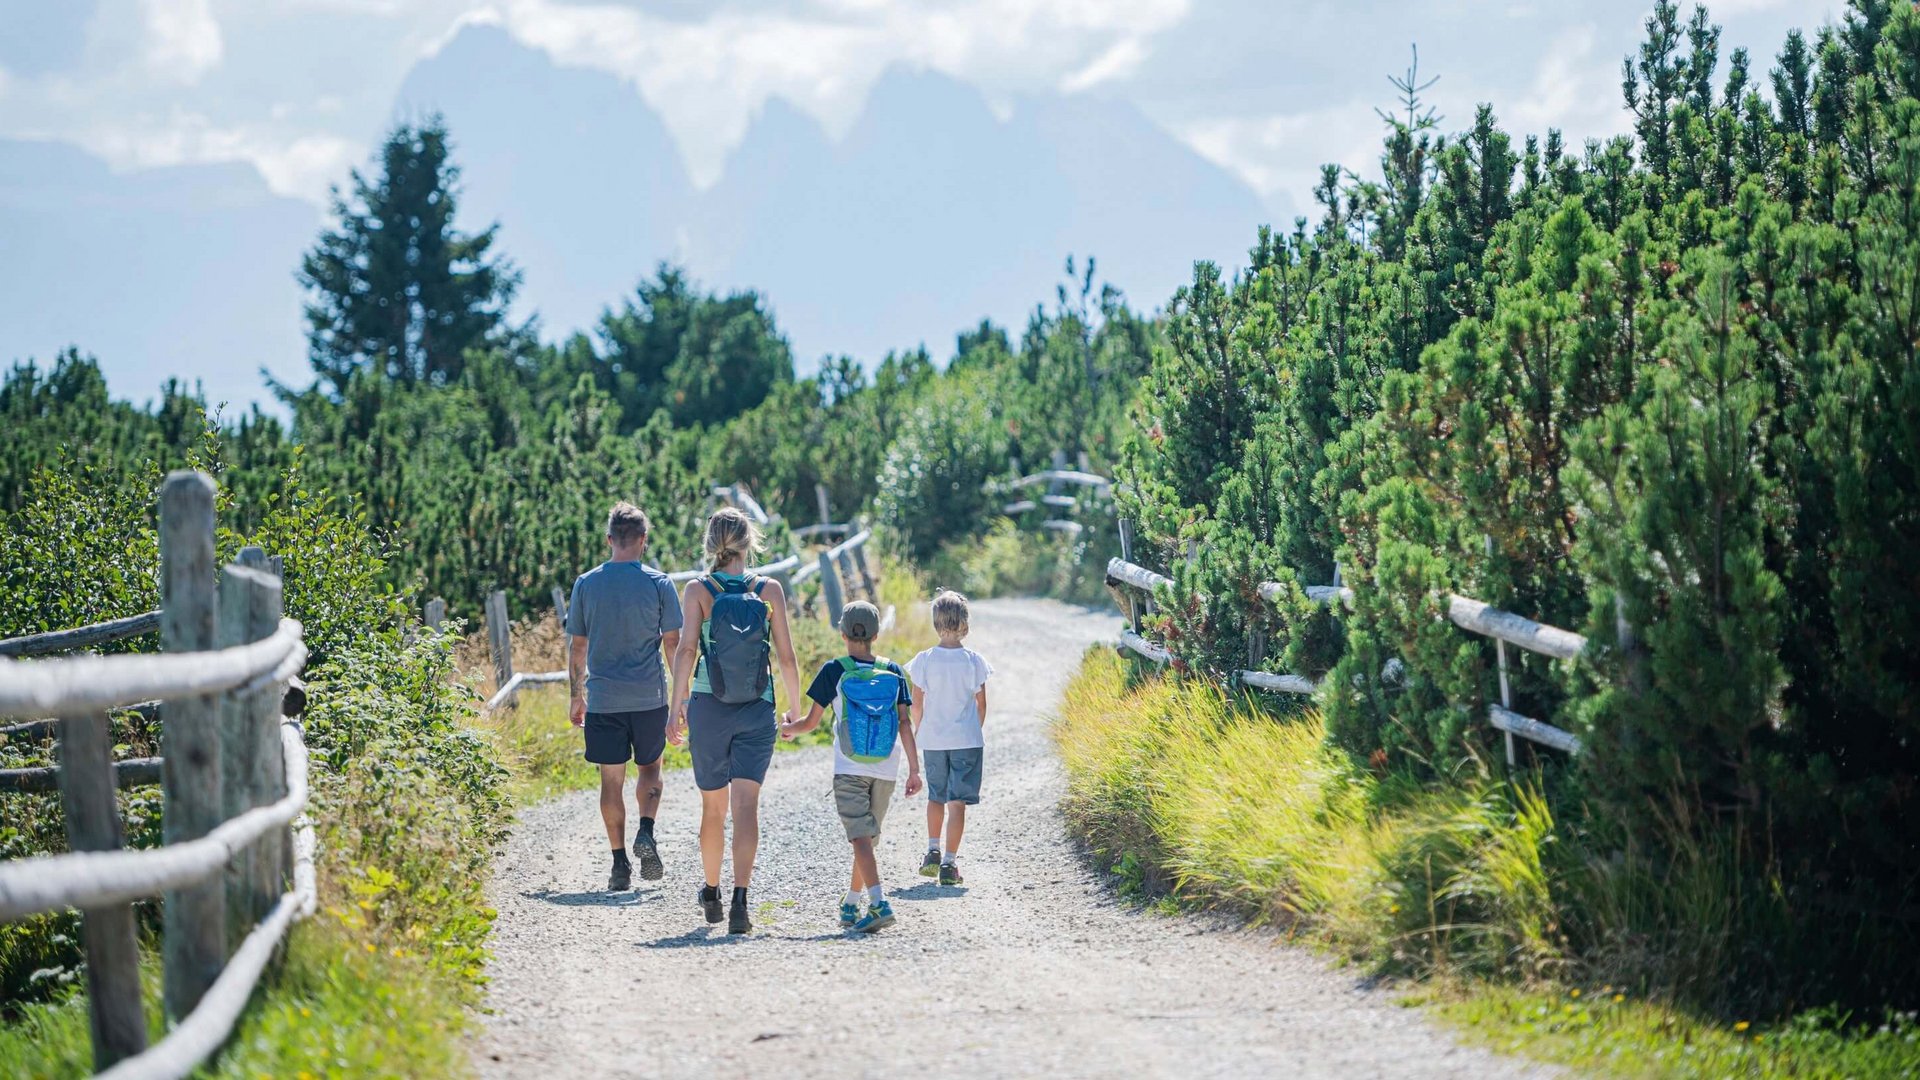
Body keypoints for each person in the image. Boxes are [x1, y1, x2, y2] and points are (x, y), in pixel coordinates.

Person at [667, 508, 800, 935]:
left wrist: (676, 706)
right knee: (746, 807)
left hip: (709, 707)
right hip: (757, 707)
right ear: (749, 542)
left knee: (713, 808)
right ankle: (741, 902)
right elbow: (786, 656)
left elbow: (686, 651)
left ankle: (712, 892)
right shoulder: (769, 589)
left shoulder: (698, 590)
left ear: (710, 544)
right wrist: (794, 710)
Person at [779, 601, 921, 932]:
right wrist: (914, 769)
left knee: (860, 838)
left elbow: (810, 723)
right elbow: (904, 723)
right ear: (876, 634)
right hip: (887, 767)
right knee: (866, 840)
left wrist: (785, 729)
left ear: (842, 633)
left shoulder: (835, 670)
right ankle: (851, 904)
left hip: (850, 766)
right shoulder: (895, 671)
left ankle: (878, 904)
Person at [567, 501, 683, 892]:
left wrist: (575, 696)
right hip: (649, 698)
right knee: (650, 770)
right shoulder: (659, 583)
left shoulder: (586, 584)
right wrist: (680, 698)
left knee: (610, 782)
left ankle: (619, 863)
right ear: (643, 540)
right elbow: (673, 645)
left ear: (609, 540)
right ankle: (646, 830)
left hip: (603, 700)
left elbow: (577, 647)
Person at [907, 590, 992, 886]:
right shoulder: (974, 661)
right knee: (957, 804)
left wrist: (923, 728)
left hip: (933, 740)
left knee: (935, 797)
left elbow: (916, 703)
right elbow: (981, 704)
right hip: (966, 740)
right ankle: (949, 863)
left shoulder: (924, 661)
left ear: (936, 622)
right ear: (964, 623)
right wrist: (973, 729)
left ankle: (932, 849)